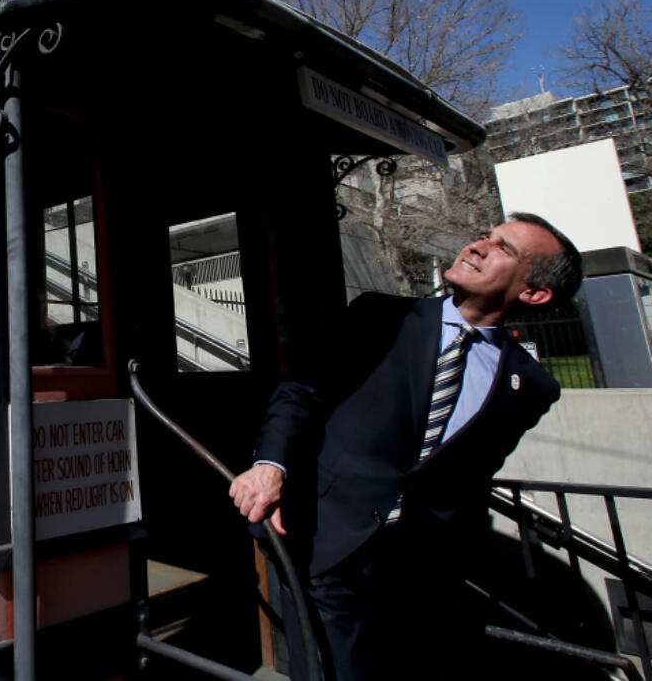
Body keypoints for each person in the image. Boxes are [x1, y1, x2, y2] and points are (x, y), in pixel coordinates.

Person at [229, 212, 582, 681]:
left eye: (504, 249)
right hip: (325, 536)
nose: (477, 246)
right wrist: (272, 466)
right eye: (483, 236)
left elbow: (470, 477)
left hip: (416, 573)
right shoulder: (379, 316)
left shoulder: (532, 387)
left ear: (534, 292)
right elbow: (301, 392)